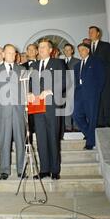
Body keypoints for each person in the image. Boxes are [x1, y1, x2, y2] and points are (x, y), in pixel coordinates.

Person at [28, 39, 66, 180]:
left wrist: (50, 90)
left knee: (52, 137)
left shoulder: (57, 63)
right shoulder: (35, 65)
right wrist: (29, 92)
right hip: (37, 106)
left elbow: (64, 81)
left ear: (50, 50)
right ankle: (44, 169)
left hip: (51, 106)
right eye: (40, 47)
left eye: (44, 47)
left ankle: (55, 169)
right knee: (41, 138)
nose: (41, 49)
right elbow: (30, 83)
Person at [0, 44, 26, 180]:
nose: (12, 56)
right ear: (3, 54)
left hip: (19, 111)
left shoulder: (22, 69)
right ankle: (4, 170)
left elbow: (26, 90)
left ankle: (21, 169)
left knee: (20, 140)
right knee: (4, 141)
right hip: (3, 112)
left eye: (14, 53)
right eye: (9, 53)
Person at [73, 43, 105, 150]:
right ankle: (91, 135)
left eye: (82, 49)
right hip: (79, 95)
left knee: (92, 118)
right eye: (79, 50)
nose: (80, 52)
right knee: (76, 115)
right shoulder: (77, 66)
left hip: (92, 95)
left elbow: (101, 78)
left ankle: (90, 143)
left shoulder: (96, 62)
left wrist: (96, 92)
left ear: (88, 50)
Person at [89, 26, 110, 127]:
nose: (90, 33)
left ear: (98, 33)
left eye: (92, 32)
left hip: (105, 79)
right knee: (97, 101)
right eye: (89, 32)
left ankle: (108, 123)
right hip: (93, 81)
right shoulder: (88, 48)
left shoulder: (105, 45)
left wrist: (105, 74)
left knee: (106, 100)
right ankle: (99, 123)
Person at [21, 44, 38, 144]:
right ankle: (28, 147)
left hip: (40, 97)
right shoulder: (22, 67)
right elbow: (22, 83)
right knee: (28, 123)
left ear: (36, 52)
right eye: (29, 50)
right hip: (27, 98)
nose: (31, 51)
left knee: (40, 123)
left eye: (33, 50)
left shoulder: (42, 65)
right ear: (27, 52)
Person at [63, 43, 80, 133]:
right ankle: (68, 127)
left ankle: (77, 126)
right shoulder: (61, 62)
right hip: (64, 89)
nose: (67, 51)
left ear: (72, 51)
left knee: (75, 108)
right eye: (65, 50)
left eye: (69, 49)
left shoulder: (77, 61)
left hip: (74, 88)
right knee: (66, 108)